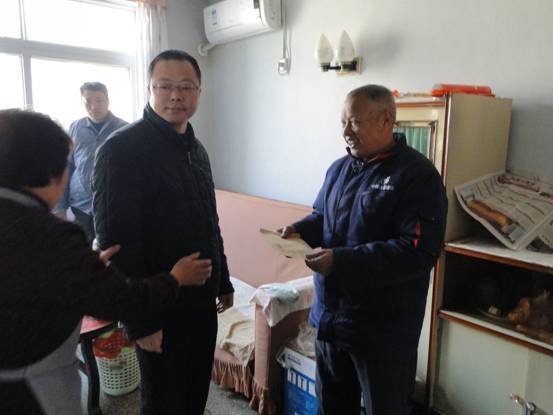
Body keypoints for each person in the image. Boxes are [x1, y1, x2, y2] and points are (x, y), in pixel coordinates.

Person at [0, 109, 214, 415]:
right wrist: (175, 277)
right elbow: (119, 300)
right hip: (26, 389)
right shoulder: (51, 235)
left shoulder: (197, 150)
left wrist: (79, 268)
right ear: (49, 170)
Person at [279, 85, 448, 415]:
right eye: (343, 122)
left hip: (383, 331)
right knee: (332, 407)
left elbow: (417, 251)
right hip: (331, 320)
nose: (346, 131)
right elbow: (322, 217)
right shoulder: (338, 169)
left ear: (386, 120)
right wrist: (298, 231)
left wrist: (340, 262)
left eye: (354, 122)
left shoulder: (417, 176)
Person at [93, 49, 234, 415]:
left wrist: (223, 279)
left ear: (199, 92)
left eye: (186, 87)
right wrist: (141, 323)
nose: (176, 96)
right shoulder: (120, 151)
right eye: (165, 86)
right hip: (159, 306)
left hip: (201, 304)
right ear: (149, 89)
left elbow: (210, 221)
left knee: (193, 396)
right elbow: (117, 245)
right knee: (162, 402)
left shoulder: (197, 150)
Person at [54, 82, 127, 240]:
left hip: (114, 204)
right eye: (88, 102)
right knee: (82, 249)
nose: (94, 106)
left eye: (99, 100)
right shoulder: (75, 128)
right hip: (81, 206)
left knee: (112, 248)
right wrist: (60, 208)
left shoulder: (125, 129)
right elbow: (66, 167)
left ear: (108, 100)